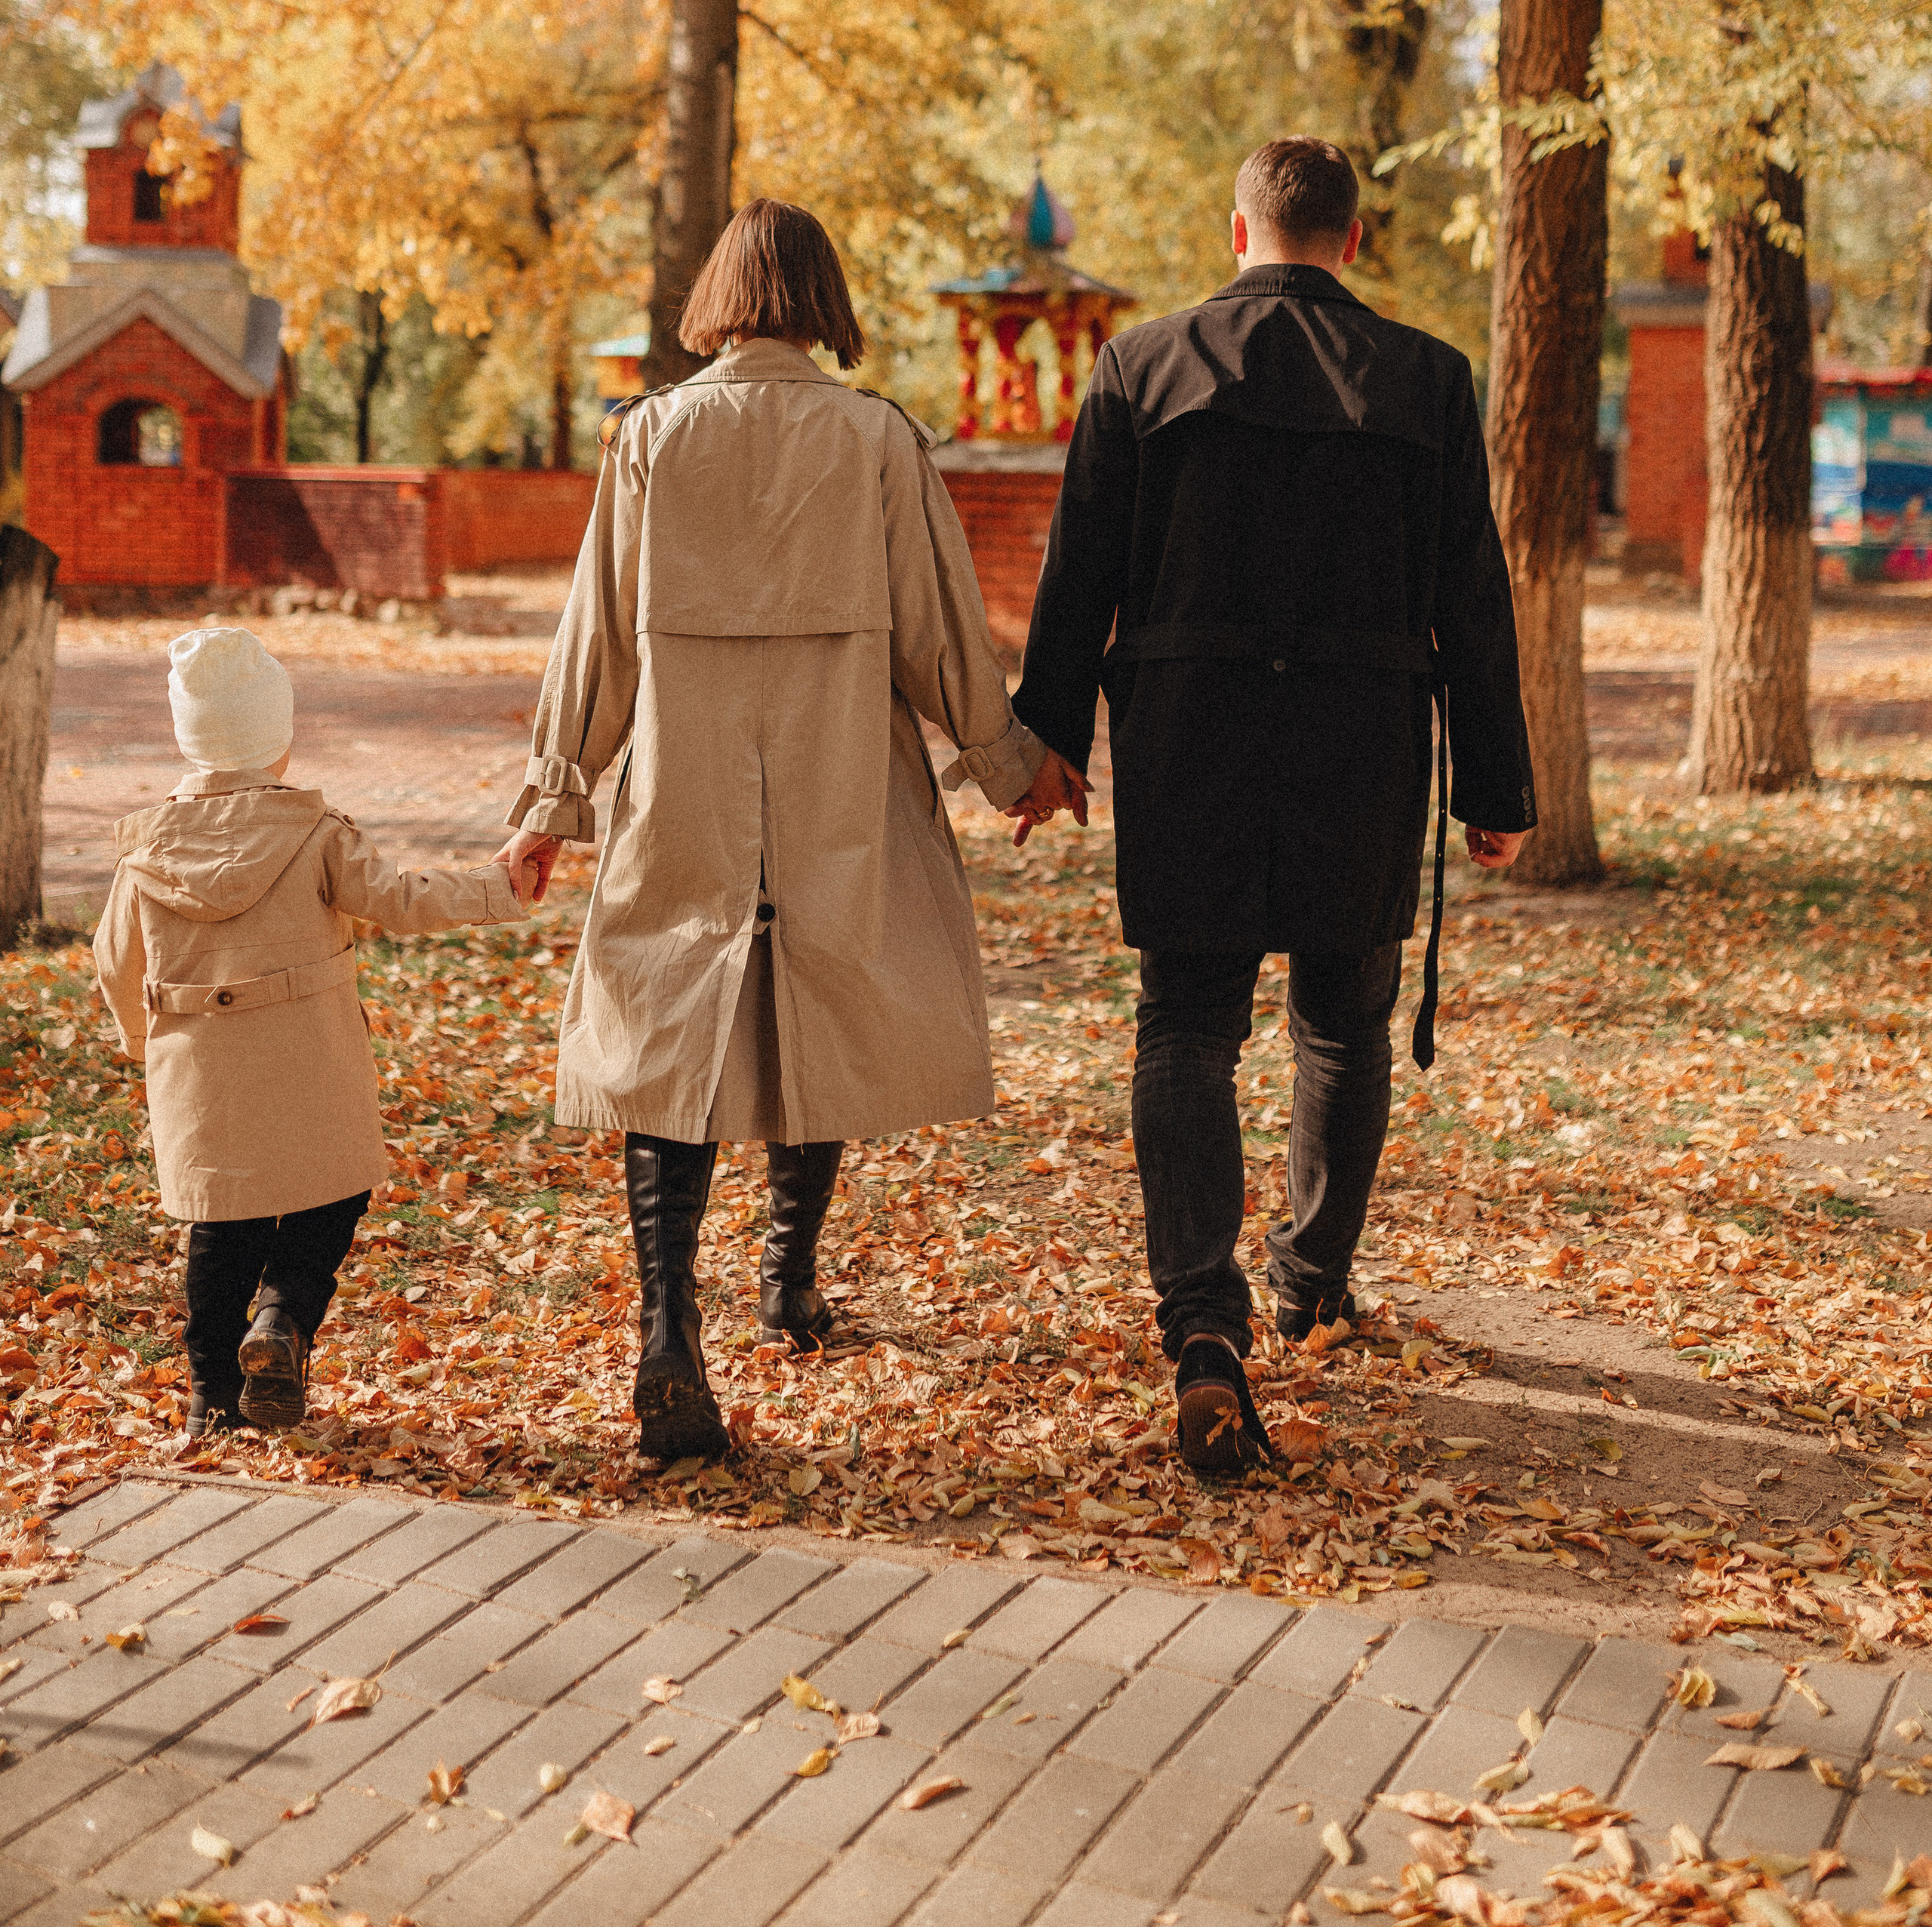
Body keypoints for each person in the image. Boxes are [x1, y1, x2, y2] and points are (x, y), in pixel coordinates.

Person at [1011, 136, 1536, 1473]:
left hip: (1189, 734)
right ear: (1351, 240)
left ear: (1235, 226)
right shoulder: (1428, 379)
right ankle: (1308, 1280)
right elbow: (1472, 589)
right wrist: (1498, 785)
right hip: (1359, 744)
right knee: (1345, 1022)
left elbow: (1081, 566)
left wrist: (1051, 739)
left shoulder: (1141, 366)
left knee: (1187, 1023)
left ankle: (1201, 1324)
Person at [497, 196, 1049, 1464]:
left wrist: (552, 798)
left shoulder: (646, 440)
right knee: (822, 990)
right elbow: (938, 629)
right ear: (823, 298)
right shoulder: (874, 438)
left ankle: (664, 1324)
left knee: (669, 1016)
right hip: (838, 768)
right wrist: (1009, 764)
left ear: (718, 297)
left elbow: (598, 635)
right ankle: (788, 1280)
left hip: (683, 769)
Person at [93, 625, 523, 1439]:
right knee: (334, 1193)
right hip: (310, 1062)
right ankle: (283, 1318)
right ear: (278, 742)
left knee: (222, 1227)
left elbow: (115, 963)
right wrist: (498, 886)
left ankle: (210, 1397)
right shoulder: (317, 833)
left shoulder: (144, 851)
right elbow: (400, 900)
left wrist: (142, 1045)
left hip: (199, 1070)